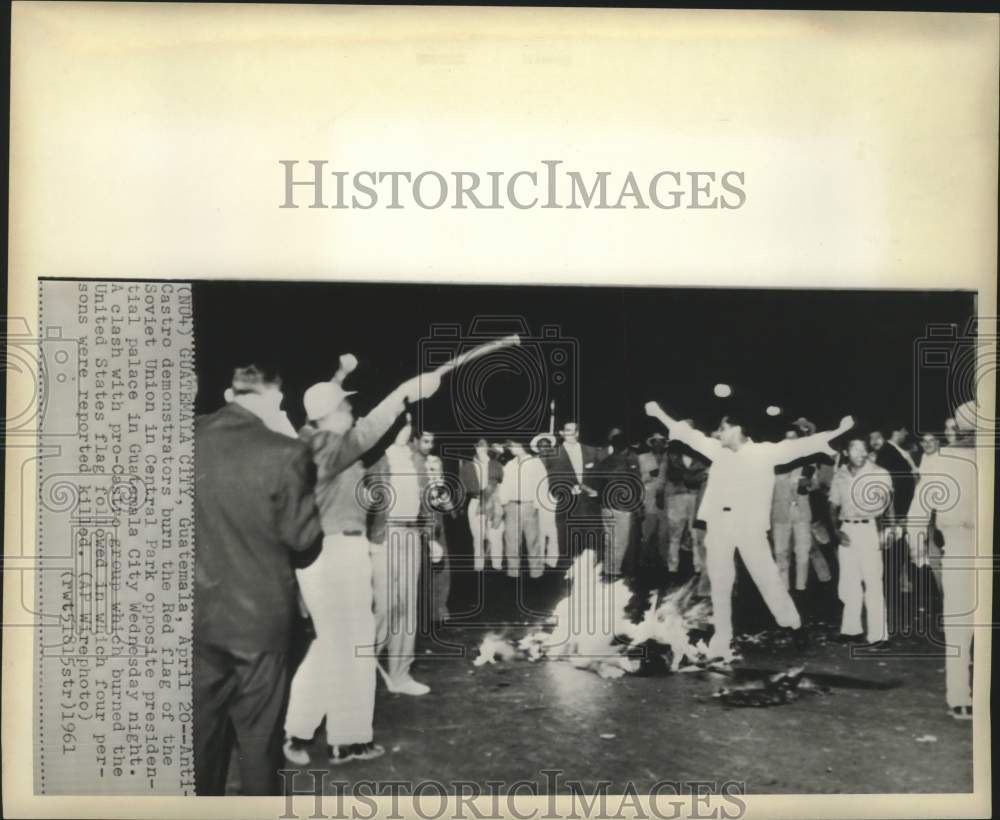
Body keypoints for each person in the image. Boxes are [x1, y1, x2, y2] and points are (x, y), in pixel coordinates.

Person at [283, 366, 441, 766]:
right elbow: (368, 429)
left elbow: (327, 408)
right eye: (347, 405)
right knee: (351, 645)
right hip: (336, 553)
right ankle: (345, 739)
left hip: (330, 553)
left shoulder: (312, 438)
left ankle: (302, 733)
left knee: (332, 645)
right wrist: (405, 390)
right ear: (332, 413)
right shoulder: (326, 446)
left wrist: (339, 375)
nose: (352, 409)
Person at [194, 364, 323, 795]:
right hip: (260, 623)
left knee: (200, 737)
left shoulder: (186, 440)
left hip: (198, 618)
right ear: (269, 399)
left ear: (232, 395)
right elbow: (302, 539)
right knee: (258, 740)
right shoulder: (283, 451)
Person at [645, 401, 854, 660]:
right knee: (720, 586)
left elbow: (801, 446)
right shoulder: (716, 450)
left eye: (722, 428)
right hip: (719, 525)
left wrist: (838, 431)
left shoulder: (763, 453)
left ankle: (793, 625)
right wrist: (659, 413)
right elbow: (688, 435)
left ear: (736, 429)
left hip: (749, 528)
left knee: (768, 579)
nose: (718, 433)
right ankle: (722, 641)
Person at [907, 412, 978, 719]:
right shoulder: (938, 462)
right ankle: (959, 694)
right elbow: (919, 510)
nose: (960, 434)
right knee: (959, 622)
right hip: (959, 542)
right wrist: (917, 543)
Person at [368, 415, 437, 696]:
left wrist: (431, 539)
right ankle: (360, 667)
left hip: (411, 535)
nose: (405, 429)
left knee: (408, 608)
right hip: (384, 538)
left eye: (408, 424)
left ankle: (400, 675)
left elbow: (426, 502)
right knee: (384, 608)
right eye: (400, 423)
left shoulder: (416, 459)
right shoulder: (375, 457)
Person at [828, 437, 893, 646]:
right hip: (847, 530)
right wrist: (836, 530)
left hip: (869, 529)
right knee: (848, 583)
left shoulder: (879, 472)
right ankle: (851, 630)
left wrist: (889, 531)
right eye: (854, 448)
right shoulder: (840, 474)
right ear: (846, 452)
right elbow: (832, 505)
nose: (860, 453)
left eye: (862, 448)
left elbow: (889, 504)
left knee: (873, 582)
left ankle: (879, 635)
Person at [771, 428, 834, 598]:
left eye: (794, 439)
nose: (790, 442)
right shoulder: (775, 463)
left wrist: (805, 482)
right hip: (780, 514)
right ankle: (783, 589)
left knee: (803, 551)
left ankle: (801, 588)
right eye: (787, 439)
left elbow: (817, 484)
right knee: (781, 552)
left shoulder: (808, 464)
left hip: (802, 513)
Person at [411, 430, 453, 623]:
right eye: (425, 441)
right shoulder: (410, 461)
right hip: (418, 516)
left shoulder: (435, 461)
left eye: (432, 442)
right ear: (415, 440)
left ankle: (440, 608)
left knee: (441, 562)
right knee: (421, 564)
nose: (429, 445)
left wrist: (448, 504)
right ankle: (422, 612)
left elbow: (441, 487)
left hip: (436, 515)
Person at [546, 421, 603, 556]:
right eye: (567, 430)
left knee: (591, 546)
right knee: (569, 546)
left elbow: (599, 476)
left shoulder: (592, 451)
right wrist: (567, 490)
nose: (571, 433)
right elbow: (552, 481)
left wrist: (596, 491)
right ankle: (569, 574)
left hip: (590, 508)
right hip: (568, 507)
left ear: (578, 432)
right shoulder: (554, 453)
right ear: (562, 433)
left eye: (574, 430)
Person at [498, 438, 551, 578]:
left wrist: (537, 504)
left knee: (533, 540)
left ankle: (536, 572)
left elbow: (542, 484)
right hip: (511, 506)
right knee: (511, 541)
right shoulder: (509, 464)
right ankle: (513, 572)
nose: (510, 448)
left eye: (512, 445)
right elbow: (504, 486)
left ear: (521, 445)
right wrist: (504, 504)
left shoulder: (535, 462)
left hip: (529, 505)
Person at [595, 429, 641, 576]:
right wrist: (637, 506)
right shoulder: (627, 464)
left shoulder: (604, 462)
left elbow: (598, 485)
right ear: (626, 448)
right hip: (622, 507)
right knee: (621, 541)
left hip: (606, 506)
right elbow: (632, 486)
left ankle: (608, 568)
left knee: (609, 539)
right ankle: (614, 571)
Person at [663, 431, 709, 574]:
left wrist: (689, 477)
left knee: (696, 534)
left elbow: (703, 476)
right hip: (676, 497)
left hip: (695, 497)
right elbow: (666, 475)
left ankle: (698, 567)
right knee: (675, 535)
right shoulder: (671, 455)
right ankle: (672, 567)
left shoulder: (701, 455)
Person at [459, 438, 505, 571]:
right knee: (477, 537)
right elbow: (461, 488)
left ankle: (497, 565)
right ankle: (478, 567)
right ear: (475, 447)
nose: (482, 448)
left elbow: (502, 485)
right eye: (479, 445)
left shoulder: (496, 465)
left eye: (485, 445)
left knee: (495, 535)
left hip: (494, 501)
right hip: (475, 502)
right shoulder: (466, 467)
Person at [637, 432, 669, 568]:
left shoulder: (669, 458)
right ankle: (643, 561)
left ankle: (664, 561)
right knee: (647, 532)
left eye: (661, 441)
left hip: (667, 499)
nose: (658, 444)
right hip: (649, 499)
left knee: (664, 532)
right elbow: (637, 478)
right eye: (655, 441)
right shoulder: (642, 458)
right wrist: (650, 474)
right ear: (652, 443)